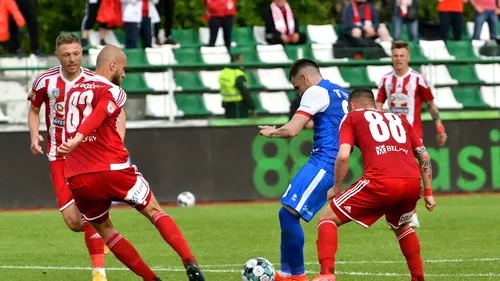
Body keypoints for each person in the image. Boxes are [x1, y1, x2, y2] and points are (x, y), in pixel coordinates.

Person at [56, 44, 205, 281]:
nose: (124, 74)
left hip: (78, 176)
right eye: (124, 68)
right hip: (111, 169)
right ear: (112, 65)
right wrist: (80, 137)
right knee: (154, 211)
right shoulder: (114, 91)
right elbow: (101, 113)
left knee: (106, 231)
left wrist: (74, 142)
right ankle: (190, 262)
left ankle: (151, 280)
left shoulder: (72, 90)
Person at [312, 88, 437, 281]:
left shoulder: (352, 118)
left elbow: (343, 155)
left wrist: (336, 188)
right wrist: (428, 192)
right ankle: (418, 278)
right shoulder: (399, 119)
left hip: (381, 181)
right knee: (402, 226)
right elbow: (424, 155)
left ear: (352, 105)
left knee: (327, 218)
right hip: (412, 183)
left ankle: (326, 274)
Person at [27, 34, 111, 281]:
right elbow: (33, 110)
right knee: (74, 222)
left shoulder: (95, 82)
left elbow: (111, 112)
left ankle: (99, 272)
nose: (72, 59)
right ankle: (102, 230)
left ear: (81, 52)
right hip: (59, 158)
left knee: (89, 210)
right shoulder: (45, 80)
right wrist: (34, 135)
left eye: (76, 53)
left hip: (89, 157)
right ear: (57, 55)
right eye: (66, 55)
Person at [258, 58, 349, 281]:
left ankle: (298, 276)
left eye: (297, 87)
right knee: (286, 213)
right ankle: (285, 274)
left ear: (305, 77)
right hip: (330, 162)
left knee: (288, 214)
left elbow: (292, 130)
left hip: (324, 162)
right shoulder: (342, 92)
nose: (299, 93)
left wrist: (272, 132)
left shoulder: (315, 91)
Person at [376, 40, 447, 228]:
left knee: (414, 171)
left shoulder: (418, 79)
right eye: (395, 56)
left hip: (413, 132)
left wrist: (440, 128)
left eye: (402, 55)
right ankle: (405, 213)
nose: (398, 59)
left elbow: (431, 105)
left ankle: (412, 210)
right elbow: (377, 106)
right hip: (392, 134)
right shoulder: (385, 80)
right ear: (391, 57)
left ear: (408, 57)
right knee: (396, 175)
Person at [219, 53, 256, 118]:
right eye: (241, 60)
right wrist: (252, 107)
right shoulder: (238, 74)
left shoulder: (224, 72)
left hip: (226, 104)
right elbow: (245, 92)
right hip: (238, 106)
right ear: (237, 60)